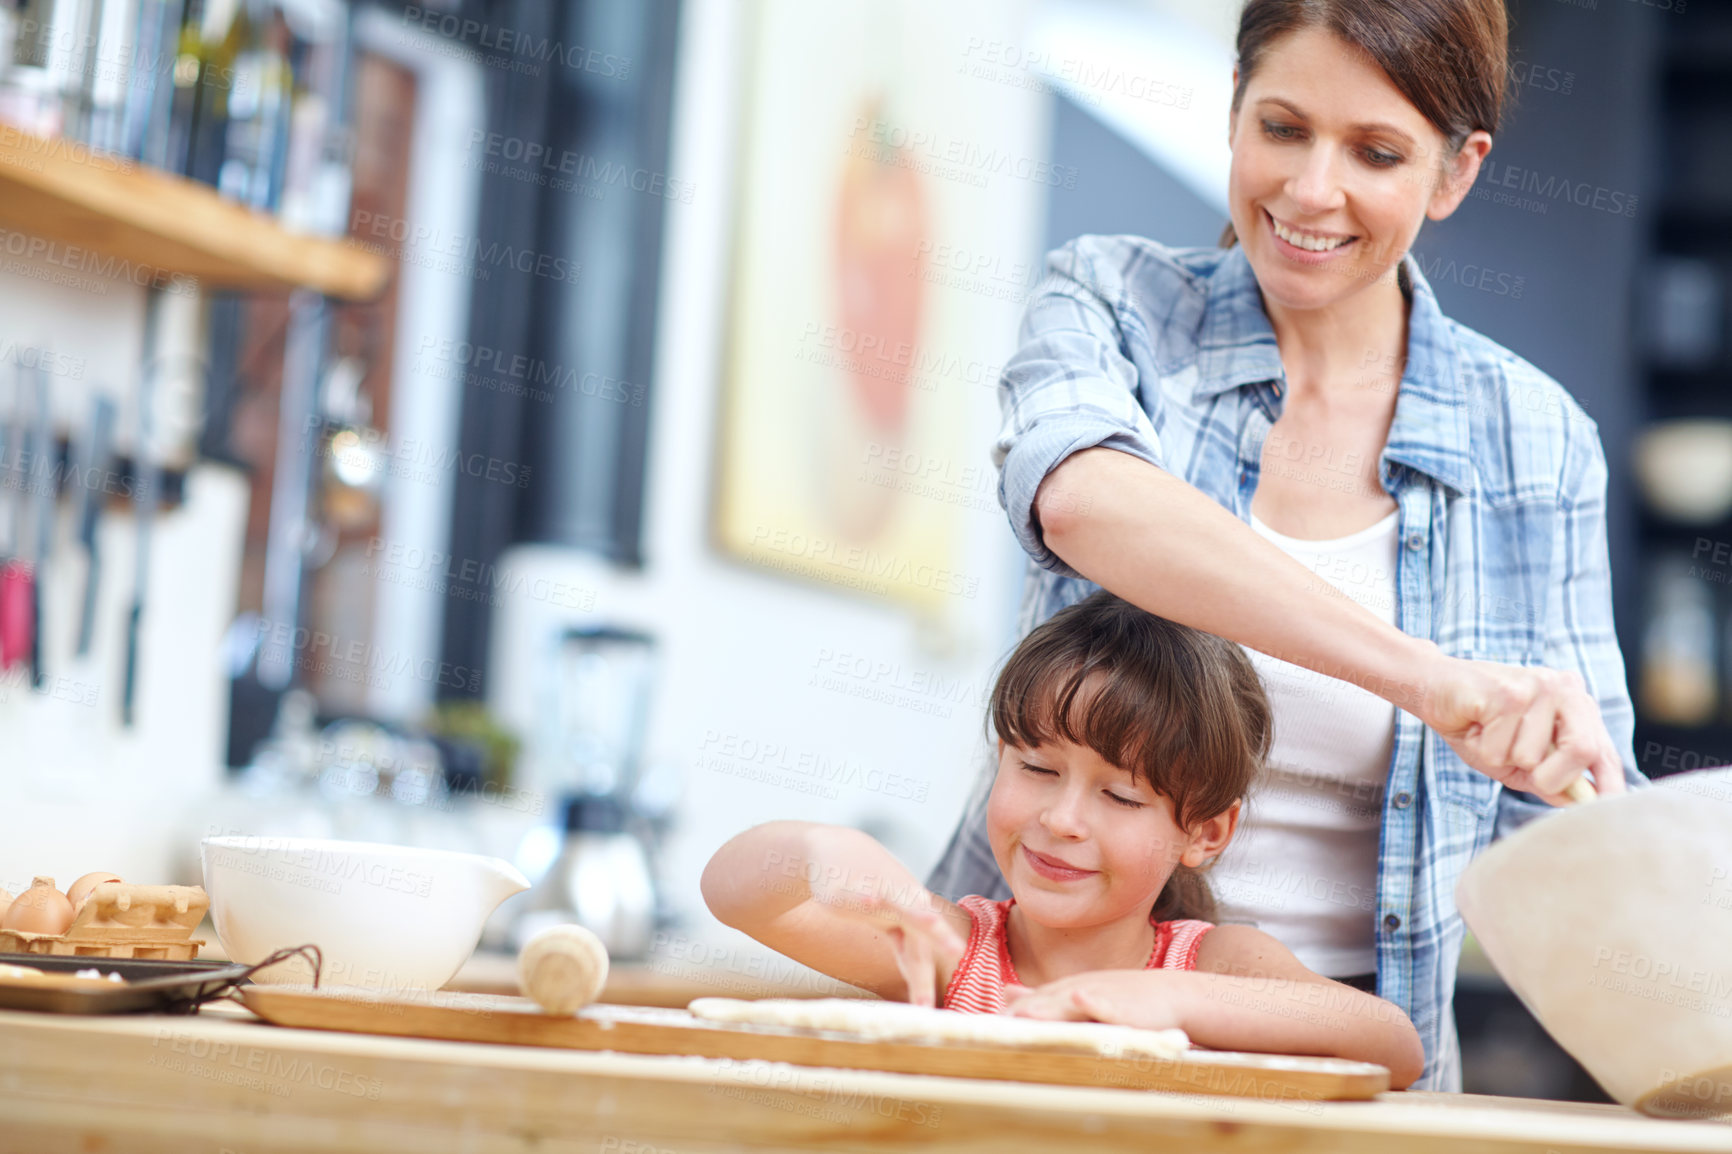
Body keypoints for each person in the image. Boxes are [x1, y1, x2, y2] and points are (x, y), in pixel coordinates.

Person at [926, 0, 1647, 1092]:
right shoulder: (1114, 301)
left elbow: (1590, 862)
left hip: (1351, 1066)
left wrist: (1568, 776)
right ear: (1231, 113)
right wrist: (1432, 681)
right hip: (1049, 1032)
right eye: (1282, 128)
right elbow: (1079, 500)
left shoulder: (1534, 441)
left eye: (1375, 151)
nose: (1312, 190)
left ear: (1454, 173)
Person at [703, 592, 1426, 1086]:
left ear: (1204, 832)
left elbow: (1393, 1045)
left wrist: (1170, 1000)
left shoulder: (1212, 964)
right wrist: (816, 851)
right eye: (1037, 768)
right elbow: (733, 894)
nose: (1062, 819)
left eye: (1118, 794)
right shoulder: (951, 954)